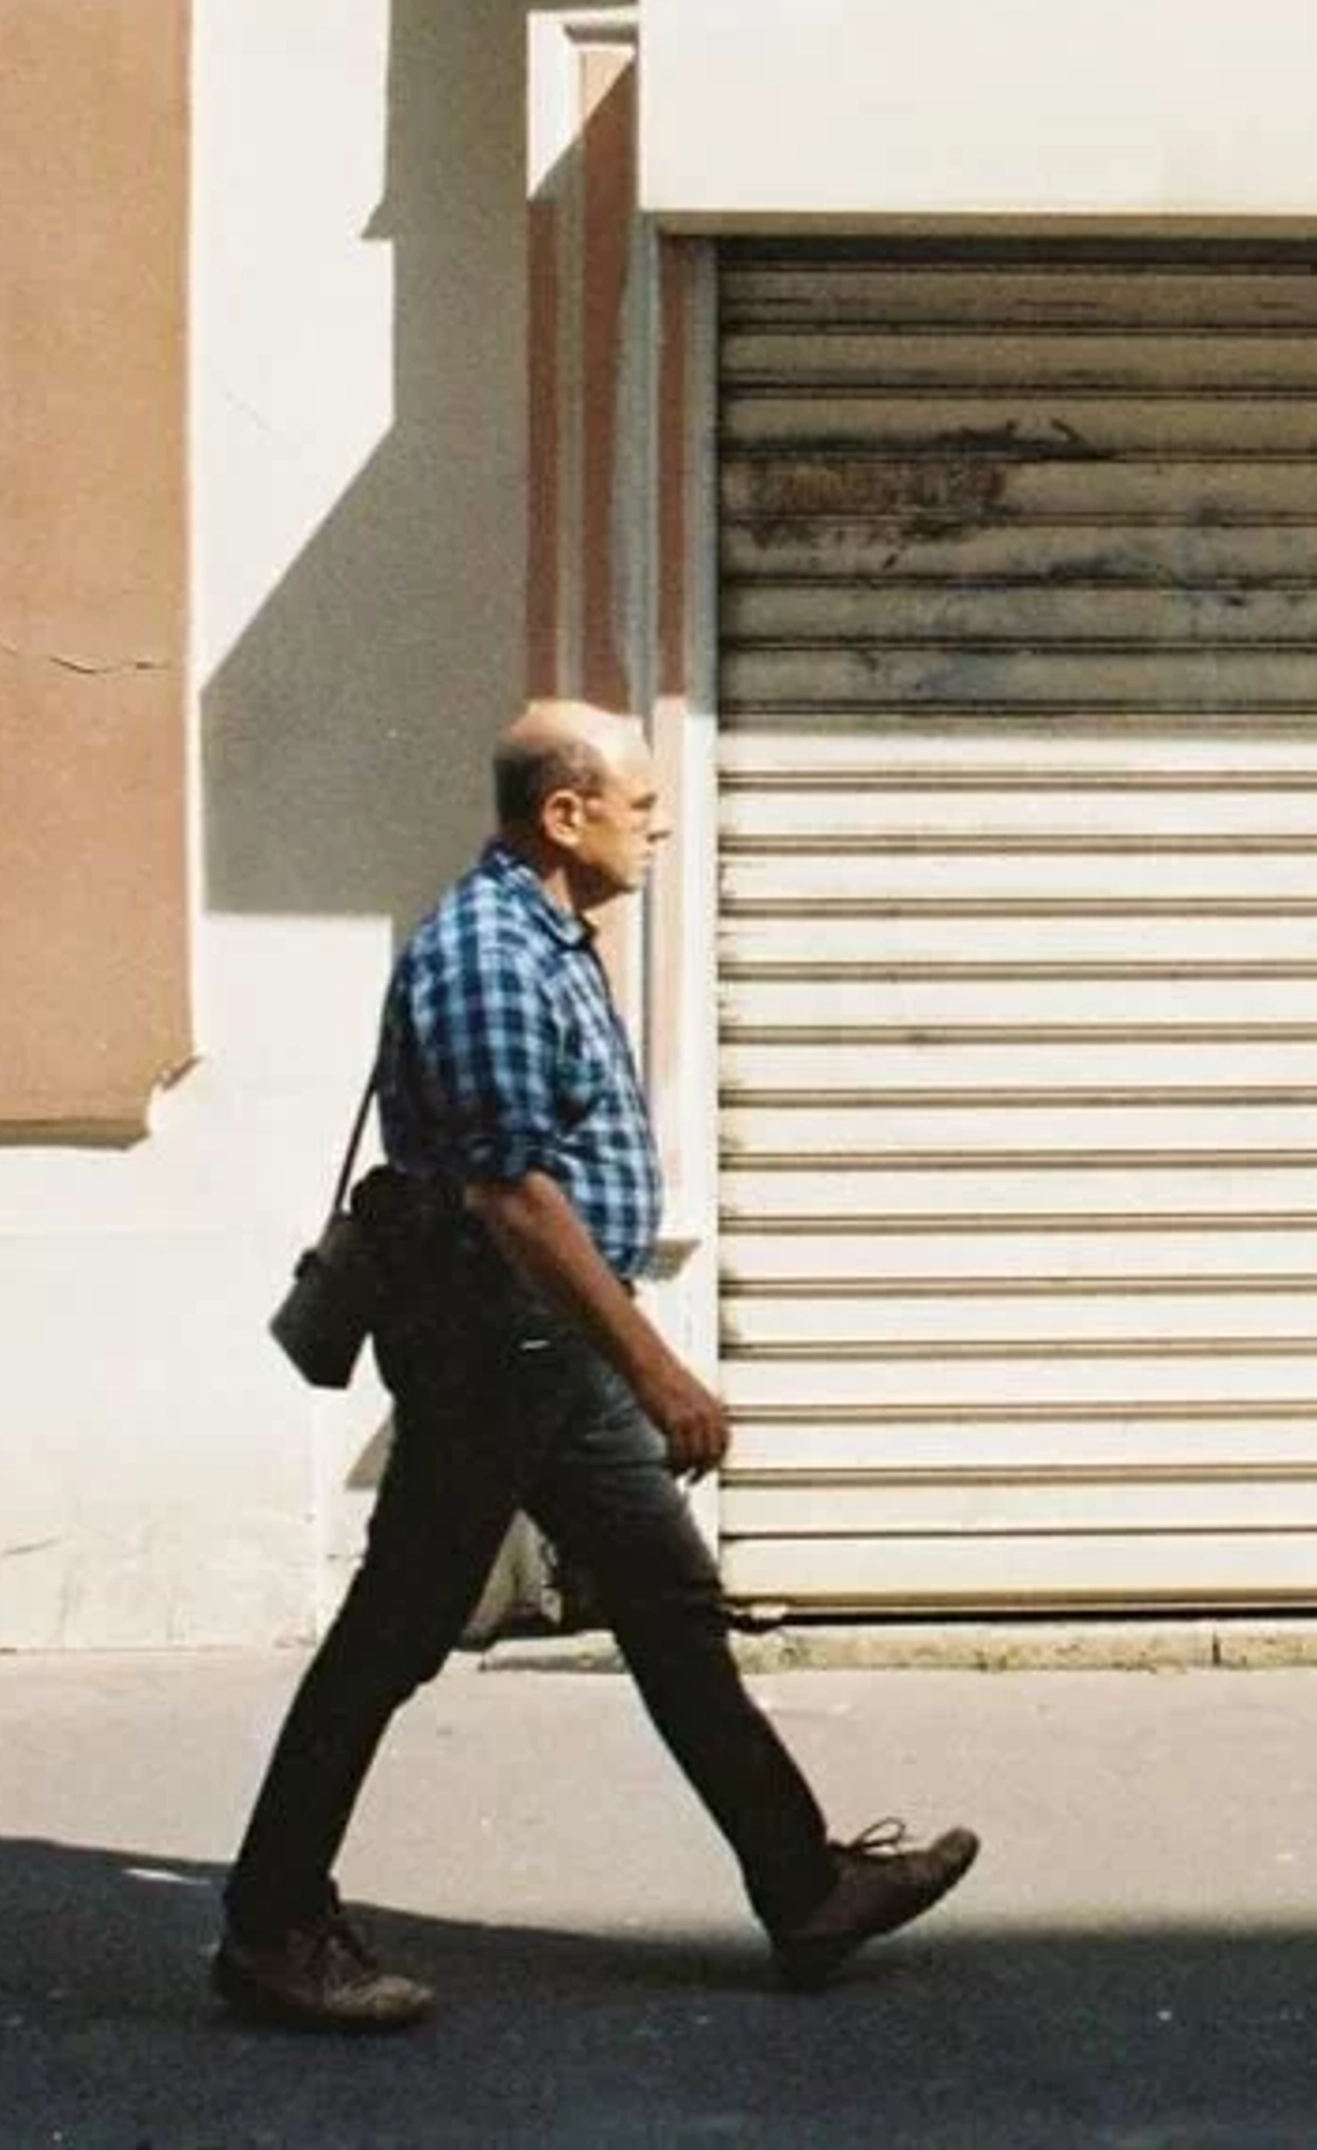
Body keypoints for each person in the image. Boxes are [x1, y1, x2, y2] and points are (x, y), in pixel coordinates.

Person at [215, 699, 975, 2033]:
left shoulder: (548, 937)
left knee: (669, 1601)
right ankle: (274, 1925)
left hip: (541, 1347)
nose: (661, 822)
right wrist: (658, 1370)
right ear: (564, 814)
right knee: (396, 1629)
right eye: (639, 801)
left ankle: (804, 1886)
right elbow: (512, 1194)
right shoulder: (490, 957)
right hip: (495, 1345)